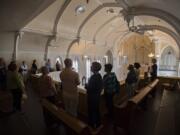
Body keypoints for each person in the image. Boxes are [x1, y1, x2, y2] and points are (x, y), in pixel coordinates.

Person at [85, 62, 103, 129]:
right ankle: (98, 124)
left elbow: (91, 89)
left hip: (92, 97)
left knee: (92, 111)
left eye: (91, 66)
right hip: (97, 97)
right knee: (96, 110)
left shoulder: (93, 77)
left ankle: (92, 125)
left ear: (95, 68)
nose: (90, 67)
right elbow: (100, 87)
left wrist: (87, 86)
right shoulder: (99, 76)